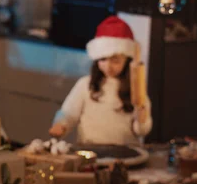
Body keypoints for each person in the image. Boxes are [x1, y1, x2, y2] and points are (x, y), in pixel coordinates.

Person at [49, 15, 152, 145]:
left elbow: (141, 130)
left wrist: (141, 117)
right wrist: (61, 125)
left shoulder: (135, 88)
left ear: (127, 60)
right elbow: (69, 113)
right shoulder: (85, 85)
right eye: (103, 60)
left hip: (124, 154)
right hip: (89, 151)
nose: (108, 66)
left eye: (115, 61)